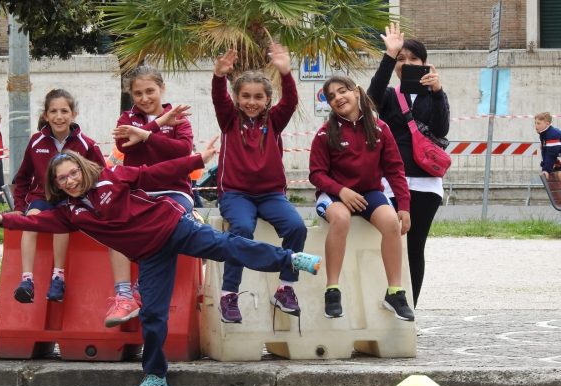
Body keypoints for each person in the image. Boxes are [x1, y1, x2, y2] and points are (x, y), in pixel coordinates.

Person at [0, 146, 322, 386]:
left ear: (82, 167)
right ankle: (155, 375)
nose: (70, 181)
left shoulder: (112, 177)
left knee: (229, 246)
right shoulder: (70, 213)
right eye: (62, 179)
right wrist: (3, 219)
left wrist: (197, 160)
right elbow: (36, 223)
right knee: (153, 315)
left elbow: (155, 172)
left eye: (72, 173)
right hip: (151, 256)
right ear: (56, 184)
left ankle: (290, 259)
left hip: (174, 227)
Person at [211, 43, 307, 324]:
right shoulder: (229, 119)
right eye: (245, 96)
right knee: (241, 229)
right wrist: (219, 75)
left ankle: (285, 288)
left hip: (271, 195)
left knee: (297, 227)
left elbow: (290, 101)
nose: (251, 102)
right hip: (236, 195)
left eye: (258, 97)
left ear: (267, 99)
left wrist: (286, 73)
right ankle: (229, 294)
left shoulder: (274, 120)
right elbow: (218, 98)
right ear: (237, 98)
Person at [309, 75, 413, 321]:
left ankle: (395, 293)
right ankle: (332, 291)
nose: (338, 98)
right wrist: (341, 191)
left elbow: (395, 169)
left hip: (369, 194)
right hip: (334, 195)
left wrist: (404, 205)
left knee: (391, 222)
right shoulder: (325, 133)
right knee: (341, 219)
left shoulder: (380, 128)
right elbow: (316, 174)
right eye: (331, 96)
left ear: (356, 92)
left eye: (342, 91)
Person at [367, 23, 450, 309]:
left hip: (426, 183)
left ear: (425, 63)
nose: (407, 64)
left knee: (415, 247)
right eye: (402, 59)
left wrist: (437, 92)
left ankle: (410, 308)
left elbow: (441, 129)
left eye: (414, 59)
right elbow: (371, 99)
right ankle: (387, 299)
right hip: (390, 183)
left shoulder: (434, 95)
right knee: (387, 244)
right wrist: (389, 56)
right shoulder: (390, 96)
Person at [108, 65, 194, 328]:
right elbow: (124, 144)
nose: (144, 98)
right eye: (138, 93)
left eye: (150, 91)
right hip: (138, 190)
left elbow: (182, 151)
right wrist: (157, 126)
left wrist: (145, 135)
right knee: (113, 222)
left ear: (162, 88)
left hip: (174, 191)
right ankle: (124, 295)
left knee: (166, 225)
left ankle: (141, 288)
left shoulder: (178, 117)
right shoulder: (126, 118)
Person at [11, 89, 107, 304]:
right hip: (42, 196)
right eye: (53, 111)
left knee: (60, 222)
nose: (59, 116)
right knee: (30, 221)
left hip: (71, 198)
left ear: (74, 114)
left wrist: (99, 206)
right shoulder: (36, 142)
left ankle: (58, 278)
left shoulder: (86, 144)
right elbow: (23, 177)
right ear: (46, 115)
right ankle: (27, 281)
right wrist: (18, 207)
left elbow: (102, 175)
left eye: (64, 111)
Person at [535, 112, 561, 180]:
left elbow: (551, 154)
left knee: (559, 175)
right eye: (535, 123)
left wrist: (546, 170)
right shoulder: (544, 134)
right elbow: (545, 152)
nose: (536, 125)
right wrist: (545, 166)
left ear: (547, 124)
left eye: (538, 123)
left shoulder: (552, 135)